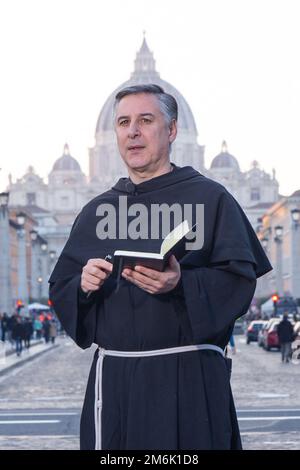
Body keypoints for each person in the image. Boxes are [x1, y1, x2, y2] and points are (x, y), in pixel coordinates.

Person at [49, 84, 272, 450]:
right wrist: (82, 285)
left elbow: (239, 282)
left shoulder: (212, 198)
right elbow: (62, 288)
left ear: (171, 131)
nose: (132, 131)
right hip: (117, 387)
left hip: (191, 382)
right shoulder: (96, 211)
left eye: (145, 120)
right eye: (123, 122)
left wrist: (181, 282)